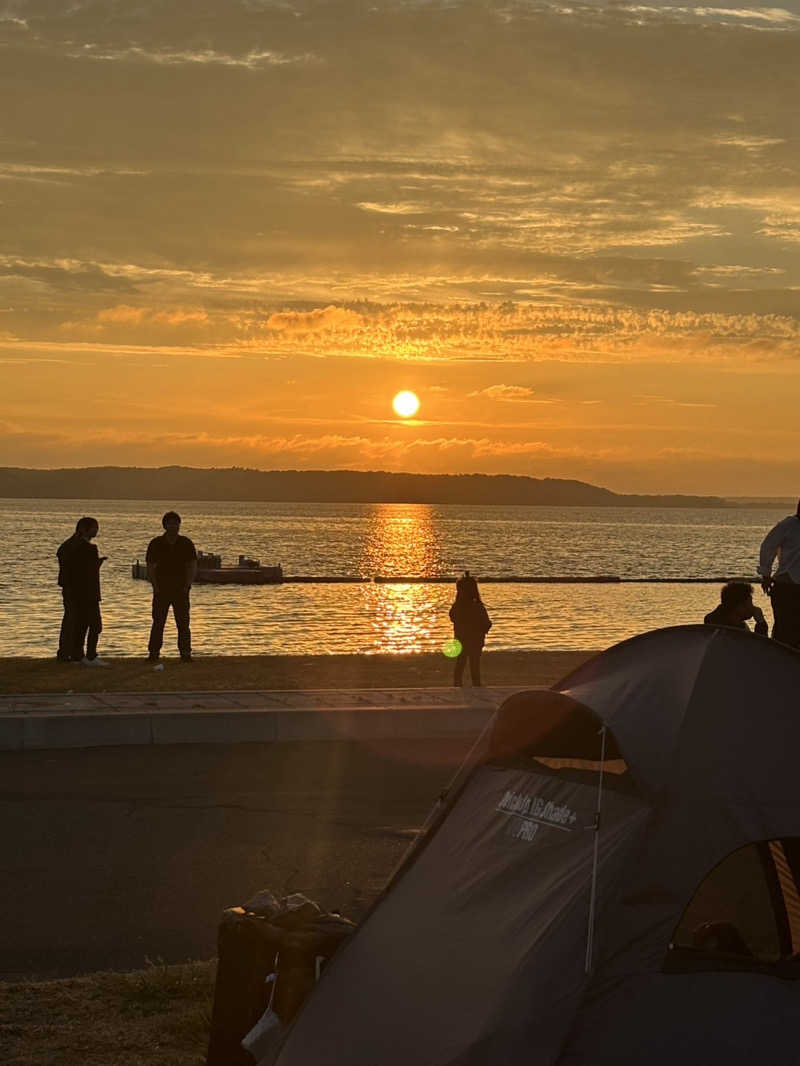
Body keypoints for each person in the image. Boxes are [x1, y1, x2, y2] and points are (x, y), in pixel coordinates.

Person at [146, 511, 197, 662]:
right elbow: (150, 566)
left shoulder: (186, 543)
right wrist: (155, 586)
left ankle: (185, 653)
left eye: (176, 523)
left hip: (181, 588)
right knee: (158, 622)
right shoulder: (156, 543)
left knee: (183, 623)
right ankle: (153, 653)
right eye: (170, 523)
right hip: (161, 588)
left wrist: (188, 585)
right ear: (165, 525)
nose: (173, 526)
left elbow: (192, 565)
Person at [57, 516, 108, 665]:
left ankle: (73, 654)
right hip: (84, 592)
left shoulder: (68, 546)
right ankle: (87, 655)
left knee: (77, 623)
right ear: (84, 529)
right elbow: (88, 571)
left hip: (73, 589)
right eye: (94, 528)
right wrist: (97, 565)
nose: (96, 530)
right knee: (91, 624)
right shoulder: (87, 548)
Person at [758, 501, 800, 647]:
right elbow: (768, 547)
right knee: (784, 628)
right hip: (786, 584)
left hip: (787, 584)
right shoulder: (788, 525)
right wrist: (766, 574)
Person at [448, 571, 492, 687]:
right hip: (475, 639)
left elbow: (452, 617)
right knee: (474, 663)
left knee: (461, 662)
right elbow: (486, 623)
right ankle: (475, 684)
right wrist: (484, 628)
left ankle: (458, 684)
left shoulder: (457, 606)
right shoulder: (477, 606)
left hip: (462, 638)